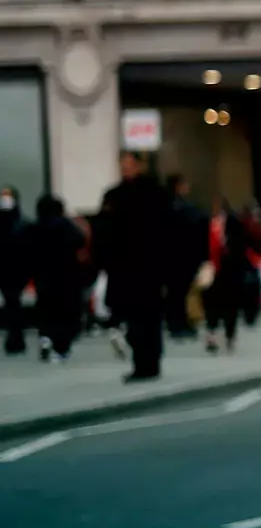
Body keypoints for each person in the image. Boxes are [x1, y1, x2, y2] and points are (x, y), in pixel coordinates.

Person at [97, 151, 173, 382]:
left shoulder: (153, 194)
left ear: (139, 166)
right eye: (123, 164)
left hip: (148, 266)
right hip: (124, 268)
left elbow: (165, 231)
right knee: (133, 317)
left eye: (129, 164)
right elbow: (105, 231)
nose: (125, 169)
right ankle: (142, 361)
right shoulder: (115, 195)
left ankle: (150, 361)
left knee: (148, 317)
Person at [22, 194, 85, 361]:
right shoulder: (65, 226)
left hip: (43, 276)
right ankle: (60, 347)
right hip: (66, 275)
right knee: (64, 312)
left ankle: (45, 337)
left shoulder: (35, 227)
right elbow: (80, 240)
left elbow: (26, 250)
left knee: (46, 310)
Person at [203, 200, 256, 354]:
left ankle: (229, 335)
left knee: (230, 305)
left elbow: (241, 246)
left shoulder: (233, 224)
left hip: (230, 272)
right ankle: (212, 334)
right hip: (213, 270)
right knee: (211, 303)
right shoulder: (207, 223)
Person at [162, 175, 208, 340]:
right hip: (183, 256)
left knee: (175, 292)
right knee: (180, 292)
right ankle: (179, 324)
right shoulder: (183, 208)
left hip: (170, 257)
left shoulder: (164, 206)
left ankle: (176, 323)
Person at [0, 184, 24, 355]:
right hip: (5, 267)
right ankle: (15, 337)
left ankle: (15, 337)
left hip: (16, 268)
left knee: (13, 302)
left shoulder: (20, 222)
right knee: (11, 302)